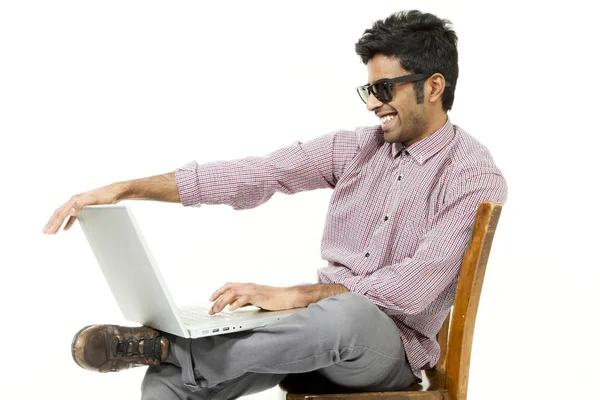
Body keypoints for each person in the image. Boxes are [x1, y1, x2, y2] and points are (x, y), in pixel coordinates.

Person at [43, 9, 507, 400]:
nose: (372, 105)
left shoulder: (471, 174)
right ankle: (174, 353)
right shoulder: (355, 149)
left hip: (385, 348)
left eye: (384, 90)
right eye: (369, 90)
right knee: (168, 380)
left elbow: (411, 290)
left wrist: (298, 295)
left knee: (347, 315)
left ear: (433, 86)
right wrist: (124, 189)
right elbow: (255, 174)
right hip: (307, 333)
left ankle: (175, 347)